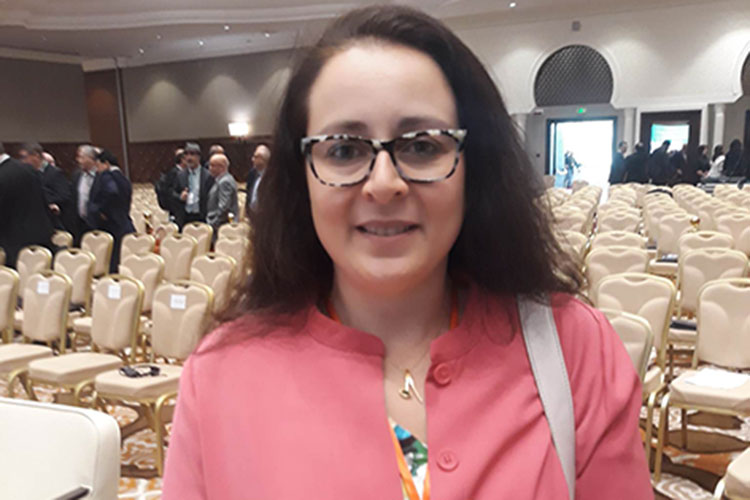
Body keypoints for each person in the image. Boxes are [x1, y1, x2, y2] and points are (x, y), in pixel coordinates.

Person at [162, 6, 651, 499]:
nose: (384, 184)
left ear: (473, 167)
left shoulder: (572, 349)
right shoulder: (222, 375)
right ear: (301, 176)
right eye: (344, 150)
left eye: (421, 147)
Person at [0, 142, 54, 268]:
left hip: (12, 240)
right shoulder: (27, 168)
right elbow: (43, 200)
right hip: (39, 233)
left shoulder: (2, 175)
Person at [86, 150, 135, 272]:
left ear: (106, 164)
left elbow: (111, 191)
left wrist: (101, 210)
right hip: (124, 222)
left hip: (111, 224)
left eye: (98, 166)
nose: (97, 170)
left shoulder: (107, 176)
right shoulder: (123, 178)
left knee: (112, 263)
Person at [17, 142, 76, 233]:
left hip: (55, 220)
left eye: (24, 157)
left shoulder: (55, 173)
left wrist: (46, 201)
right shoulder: (29, 174)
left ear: (36, 156)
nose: (22, 161)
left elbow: (64, 195)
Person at [173, 142, 214, 228]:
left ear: (199, 157)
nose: (189, 158)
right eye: (186, 154)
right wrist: (180, 197)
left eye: (192, 154)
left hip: (202, 217)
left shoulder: (208, 176)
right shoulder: (180, 175)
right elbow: (173, 193)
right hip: (185, 217)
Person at [70, 145, 98, 246]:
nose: (78, 160)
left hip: (97, 222)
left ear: (91, 158)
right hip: (79, 223)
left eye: (81, 157)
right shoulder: (76, 175)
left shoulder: (101, 175)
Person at [206, 153, 239, 239]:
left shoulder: (225, 182)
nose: (210, 168)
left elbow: (224, 207)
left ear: (222, 167)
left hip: (220, 225)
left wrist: (213, 223)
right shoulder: (221, 180)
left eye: (213, 165)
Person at [156, 148, 186, 219]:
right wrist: (180, 196)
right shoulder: (174, 173)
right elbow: (169, 192)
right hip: (176, 207)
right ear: (182, 160)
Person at [245, 143, 270, 217]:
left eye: (255, 157)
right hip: (252, 216)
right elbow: (248, 194)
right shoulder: (252, 174)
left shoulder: (272, 176)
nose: (252, 159)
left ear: (263, 159)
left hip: (266, 215)